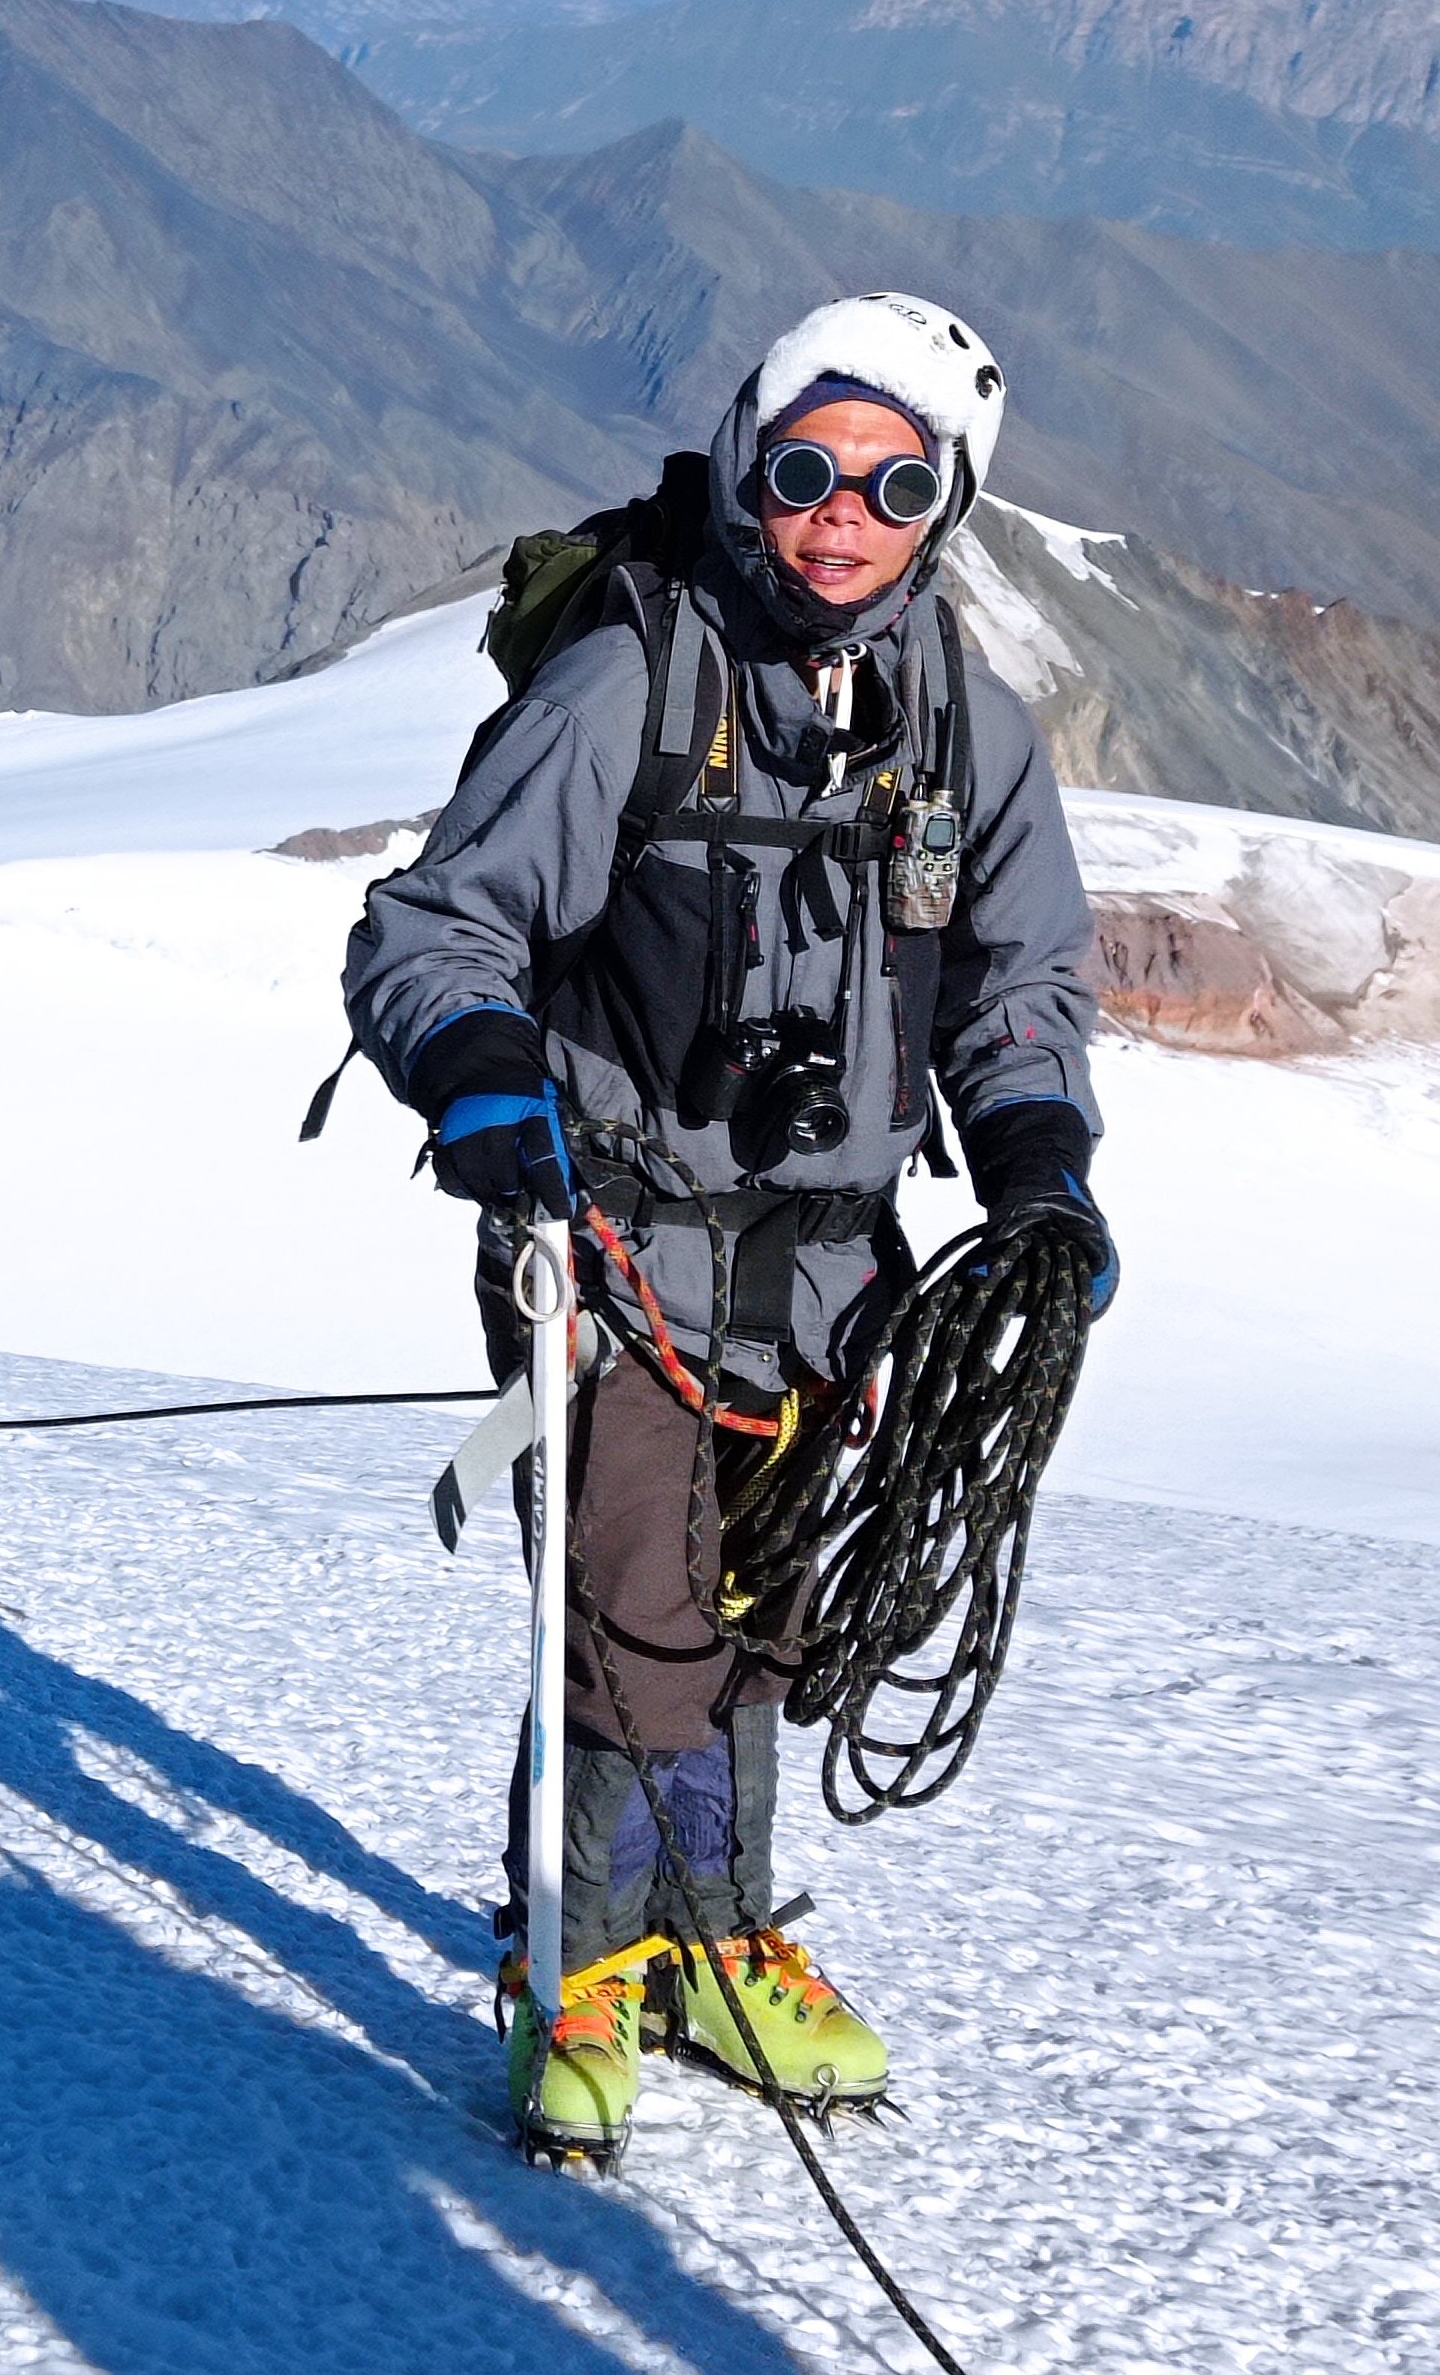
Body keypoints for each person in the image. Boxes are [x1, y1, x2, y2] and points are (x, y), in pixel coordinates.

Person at [341, 291, 1112, 2163]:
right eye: (804, 470)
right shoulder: (625, 682)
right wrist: (489, 1093)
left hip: (839, 1281)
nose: (839, 515)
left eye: (892, 481)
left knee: (766, 1625)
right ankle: (578, 1961)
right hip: (609, 1244)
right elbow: (433, 927)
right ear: (752, 461)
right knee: (628, 1613)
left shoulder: (966, 733)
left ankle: (711, 1932)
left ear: (947, 506)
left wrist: (1038, 1170)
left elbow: (1025, 980)